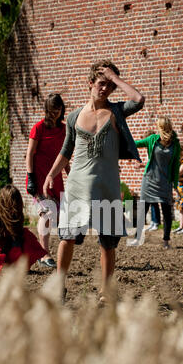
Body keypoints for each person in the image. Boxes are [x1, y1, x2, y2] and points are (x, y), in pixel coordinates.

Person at [43, 60, 145, 300]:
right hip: (78, 185)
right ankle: (60, 285)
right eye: (101, 83)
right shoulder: (74, 117)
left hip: (107, 186)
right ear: (90, 83)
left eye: (110, 86)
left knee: (108, 242)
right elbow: (66, 150)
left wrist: (115, 78)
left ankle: (105, 290)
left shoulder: (117, 111)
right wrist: (51, 174)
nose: (105, 89)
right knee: (67, 237)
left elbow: (138, 99)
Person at [26, 93, 69, 268]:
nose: (54, 114)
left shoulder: (64, 130)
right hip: (39, 177)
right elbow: (29, 153)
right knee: (47, 213)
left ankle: (42, 251)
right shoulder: (38, 128)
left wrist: (70, 173)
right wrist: (30, 177)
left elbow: (64, 155)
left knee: (56, 215)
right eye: (51, 111)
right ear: (46, 110)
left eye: (57, 110)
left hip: (56, 179)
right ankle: (44, 254)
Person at [135, 116, 180, 249]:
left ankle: (166, 241)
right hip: (149, 180)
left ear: (161, 127)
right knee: (143, 210)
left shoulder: (175, 144)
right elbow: (135, 144)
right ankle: (138, 238)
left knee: (166, 212)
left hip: (165, 182)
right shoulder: (153, 139)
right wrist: (120, 139)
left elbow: (176, 165)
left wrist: (175, 184)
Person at [134, 129, 161, 232]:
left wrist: (141, 165)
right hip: (150, 176)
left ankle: (156, 222)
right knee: (150, 200)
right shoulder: (151, 148)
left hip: (154, 176)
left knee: (153, 200)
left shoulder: (154, 147)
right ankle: (153, 222)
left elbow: (154, 164)